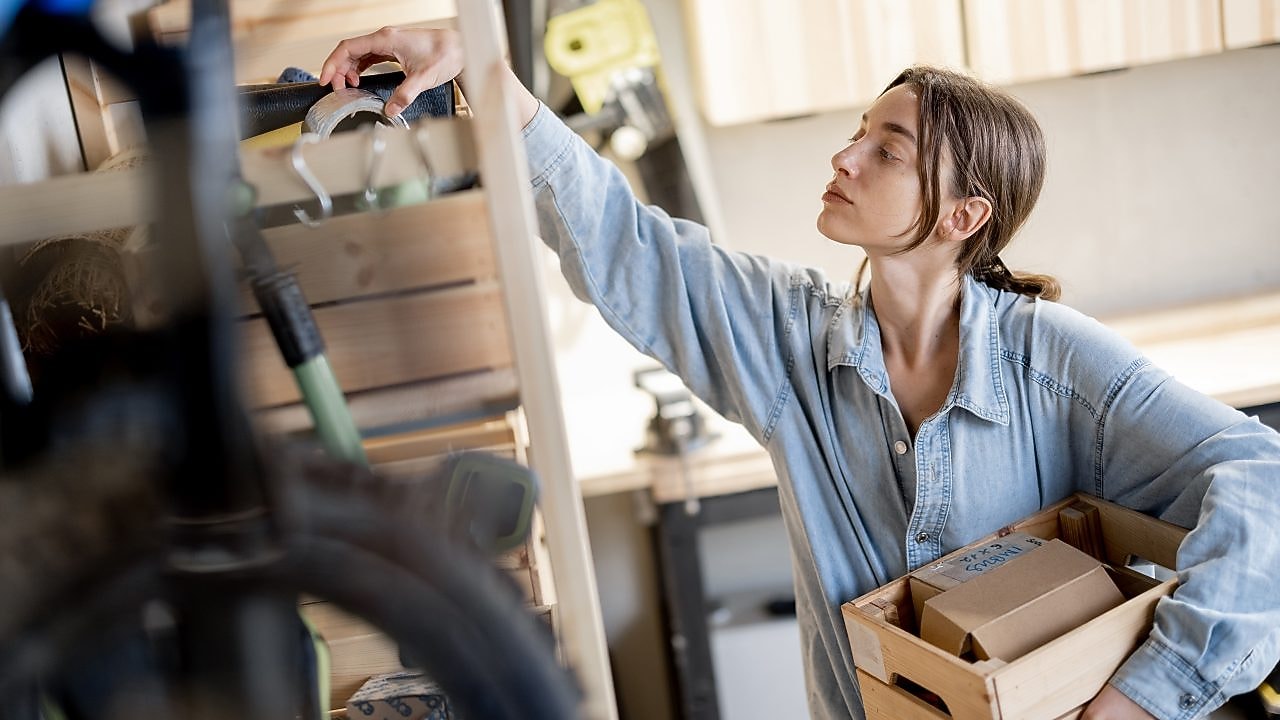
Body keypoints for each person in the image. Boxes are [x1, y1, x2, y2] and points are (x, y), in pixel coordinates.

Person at [320, 27, 1280, 720]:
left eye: (886, 149)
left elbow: (1265, 482)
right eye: (858, 133)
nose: (846, 156)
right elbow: (629, 245)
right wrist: (488, 76)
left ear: (963, 217)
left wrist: (1137, 702)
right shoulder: (789, 342)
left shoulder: (1054, 363)